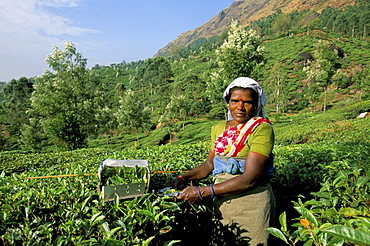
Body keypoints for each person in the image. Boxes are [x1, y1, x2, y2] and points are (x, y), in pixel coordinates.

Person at [170, 77, 275, 246]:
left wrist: (201, 191)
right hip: (222, 199)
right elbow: (210, 165)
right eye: (235, 101)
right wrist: (184, 177)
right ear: (227, 102)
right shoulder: (218, 128)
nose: (240, 107)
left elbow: (250, 178)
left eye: (247, 102)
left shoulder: (261, 129)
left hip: (251, 201)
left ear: (256, 105)